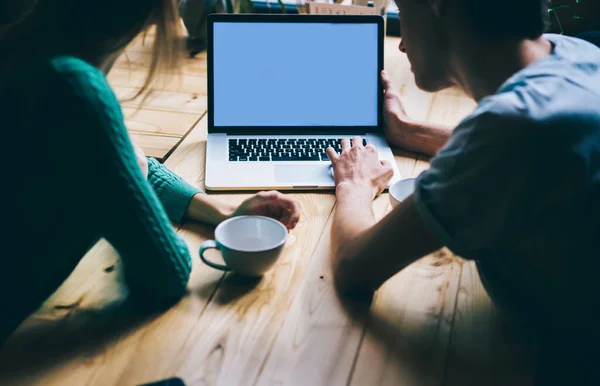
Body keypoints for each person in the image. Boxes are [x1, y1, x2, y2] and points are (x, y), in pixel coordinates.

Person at [326, 0, 600, 384]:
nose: (401, 45)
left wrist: (353, 184)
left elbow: (354, 267)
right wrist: (409, 130)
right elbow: (523, 149)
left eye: (403, 13)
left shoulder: (514, 129)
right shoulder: (575, 54)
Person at [0, 0, 300, 344]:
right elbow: (165, 275)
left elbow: (120, 164)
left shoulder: (27, 47)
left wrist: (225, 213)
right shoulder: (72, 87)